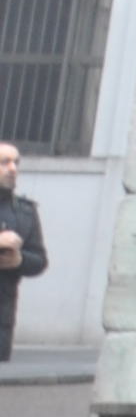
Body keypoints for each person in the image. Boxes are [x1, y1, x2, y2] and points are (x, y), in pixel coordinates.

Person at [0, 139, 45, 364]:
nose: (13, 169)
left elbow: (39, 260)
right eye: (4, 162)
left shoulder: (24, 211)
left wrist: (19, 260)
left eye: (16, 163)